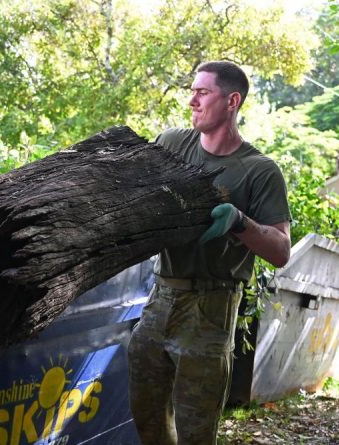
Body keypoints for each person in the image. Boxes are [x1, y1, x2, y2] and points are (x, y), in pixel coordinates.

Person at [128, 60, 291, 445]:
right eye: (193, 91)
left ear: (232, 100)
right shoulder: (171, 144)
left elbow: (282, 250)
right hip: (159, 299)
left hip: (211, 309)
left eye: (202, 92)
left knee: (196, 432)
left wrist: (239, 222)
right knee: (147, 420)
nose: (191, 101)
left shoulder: (258, 170)